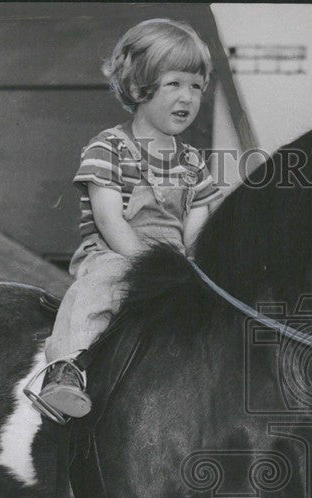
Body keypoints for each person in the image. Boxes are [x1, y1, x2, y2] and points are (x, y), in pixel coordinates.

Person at [32, 18, 221, 422]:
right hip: (117, 252)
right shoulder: (110, 147)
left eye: (196, 86)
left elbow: (198, 222)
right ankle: (64, 369)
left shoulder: (192, 162)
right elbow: (108, 218)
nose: (187, 96)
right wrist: (143, 261)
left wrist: (191, 264)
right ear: (139, 89)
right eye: (174, 84)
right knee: (99, 288)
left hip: (173, 263)